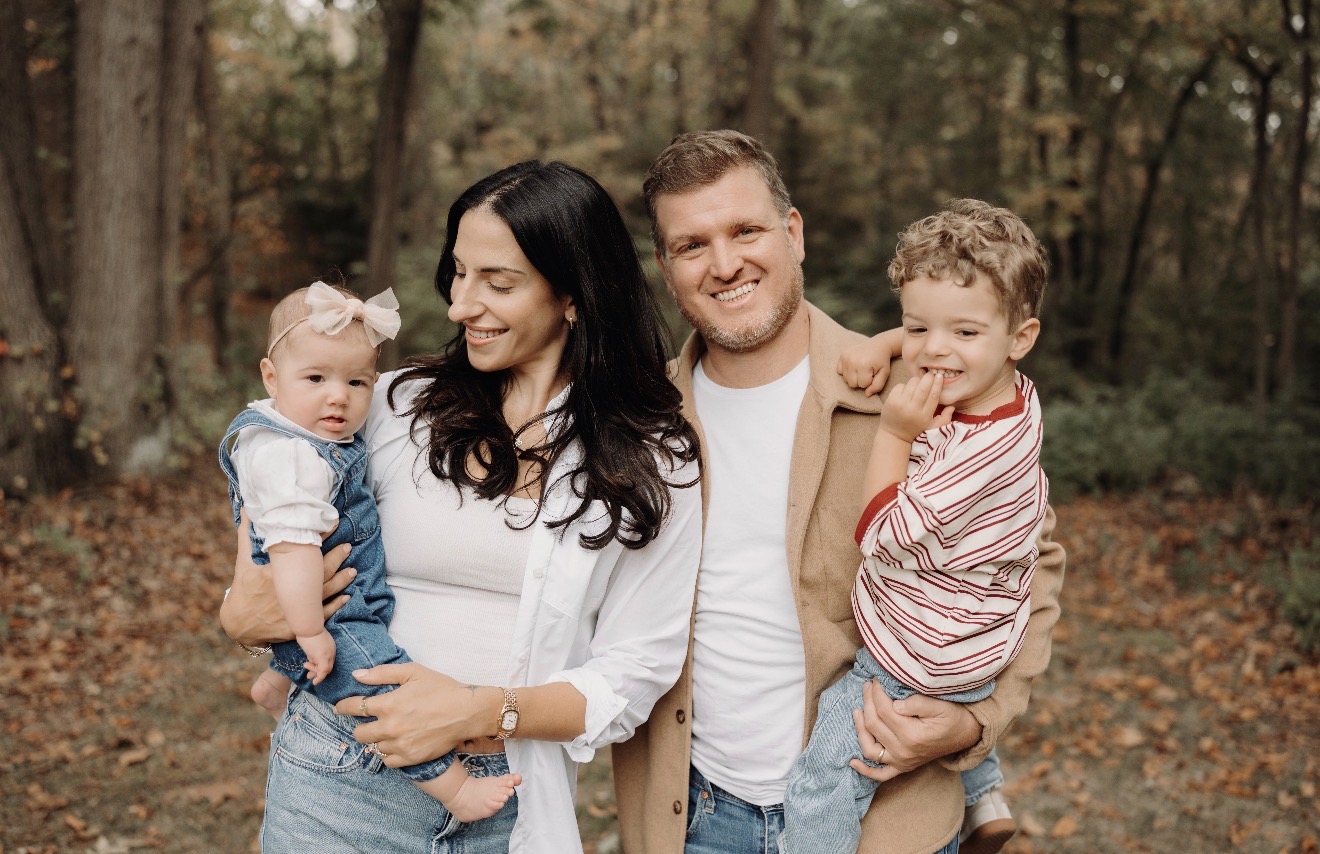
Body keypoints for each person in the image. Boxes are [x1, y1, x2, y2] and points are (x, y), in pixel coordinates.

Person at [219, 160, 703, 853]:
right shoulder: (394, 406)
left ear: (573, 294)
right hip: (342, 777)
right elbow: (274, 497)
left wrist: (482, 712)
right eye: (458, 273)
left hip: (508, 801)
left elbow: (636, 670)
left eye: (497, 283)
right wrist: (241, 615)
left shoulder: (652, 458)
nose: (459, 306)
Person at [611, 130, 1066, 854]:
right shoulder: (640, 423)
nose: (724, 264)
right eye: (692, 245)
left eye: (746, 231)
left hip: (884, 817)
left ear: (793, 234)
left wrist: (976, 722)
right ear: (666, 268)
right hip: (692, 817)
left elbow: (1028, 564)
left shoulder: (918, 391)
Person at [781, 199, 1050, 854]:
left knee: (822, 779)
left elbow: (883, 533)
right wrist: (882, 344)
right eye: (915, 327)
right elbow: (942, 333)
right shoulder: (1010, 395)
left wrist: (896, 434)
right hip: (980, 632)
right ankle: (985, 792)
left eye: (964, 333)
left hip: (921, 656)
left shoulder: (976, 459)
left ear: (1021, 338)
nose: (932, 351)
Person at [218, 280, 520, 822]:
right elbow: (293, 553)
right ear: (271, 376)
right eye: (315, 378)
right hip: (320, 603)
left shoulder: (312, 433)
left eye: (356, 381)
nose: (338, 396)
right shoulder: (291, 456)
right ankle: (453, 788)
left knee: (366, 627)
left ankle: (279, 680)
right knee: (380, 681)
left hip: (350, 587)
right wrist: (310, 631)